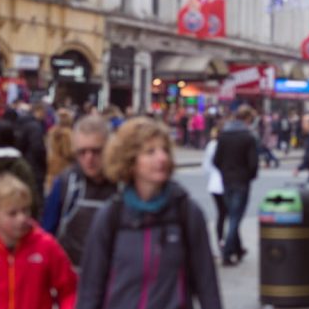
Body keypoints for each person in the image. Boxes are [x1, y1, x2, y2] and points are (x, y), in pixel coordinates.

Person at [78, 117, 222, 309]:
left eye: (164, 150)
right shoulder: (111, 216)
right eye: (150, 152)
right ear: (130, 160)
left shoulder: (186, 212)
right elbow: (90, 289)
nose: (161, 158)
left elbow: (207, 286)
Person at [0, 173, 78, 309]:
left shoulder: (46, 246)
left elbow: (69, 289)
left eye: (25, 210)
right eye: (12, 213)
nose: (21, 218)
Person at [41, 115, 117, 268]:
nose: (89, 159)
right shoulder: (66, 184)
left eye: (96, 151)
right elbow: (45, 236)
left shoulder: (124, 185)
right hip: (72, 280)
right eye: (82, 152)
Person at [213, 105, 258, 266]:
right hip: (241, 181)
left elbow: (216, 160)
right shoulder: (248, 137)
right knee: (235, 218)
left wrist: (225, 172)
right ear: (247, 119)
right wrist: (248, 176)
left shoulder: (224, 135)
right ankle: (227, 252)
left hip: (227, 180)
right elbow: (253, 164)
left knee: (232, 215)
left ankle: (237, 249)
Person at [16, 102, 48, 201]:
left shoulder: (24, 123)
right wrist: (44, 161)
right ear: (39, 111)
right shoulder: (35, 127)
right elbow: (37, 148)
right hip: (35, 166)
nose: (45, 115)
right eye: (44, 112)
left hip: (25, 161)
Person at [203, 126, 227, 251]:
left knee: (222, 213)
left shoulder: (211, 145)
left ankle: (221, 240)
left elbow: (206, 165)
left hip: (214, 183)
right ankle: (223, 240)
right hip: (223, 183)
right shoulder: (222, 145)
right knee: (226, 214)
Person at [45, 108, 76, 191]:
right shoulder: (68, 134)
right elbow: (68, 152)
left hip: (51, 165)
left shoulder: (51, 131)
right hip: (64, 167)